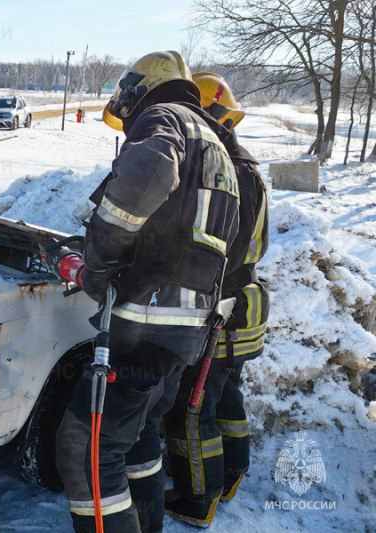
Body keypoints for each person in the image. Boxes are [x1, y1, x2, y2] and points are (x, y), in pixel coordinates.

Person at [50, 51, 240, 533]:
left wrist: (98, 262)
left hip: (145, 319)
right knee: (135, 439)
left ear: (138, 90)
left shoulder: (163, 118)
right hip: (186, 330)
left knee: (86, 451)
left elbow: (149, 177)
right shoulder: (214, 144)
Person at [162, 72, 269, 527]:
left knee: (192, 407)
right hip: (244, 308)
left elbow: (216, 249)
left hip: (223, 310)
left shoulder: (231, 172)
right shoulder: (245, 165)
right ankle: (232, 473)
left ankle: (197, 497)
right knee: (226, 397)